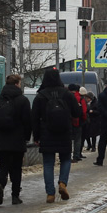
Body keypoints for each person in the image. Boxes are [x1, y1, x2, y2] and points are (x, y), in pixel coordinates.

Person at [32, 68, 81, 203]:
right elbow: (77, 113)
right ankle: (63, 183)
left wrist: (36, 136)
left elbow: (34, 118)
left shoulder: (40, 96)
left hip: (46, 133)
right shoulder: (67, 94)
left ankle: (50, 194)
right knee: (65, 159)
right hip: (64, 132)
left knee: (48, 163)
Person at [0, 73, 33, 205]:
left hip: (2, 140)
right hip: (18, 140)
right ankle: (15, 196)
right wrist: (26, 137)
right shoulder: (23, 100)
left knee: (3, 166)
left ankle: (0, 184)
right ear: (17, 84)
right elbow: (28, 122)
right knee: (16, 168)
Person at [68, 83, 89, 162]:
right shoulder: (80, 99)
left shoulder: (66, 96)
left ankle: (67, 156)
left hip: (67, 121)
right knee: (77, 139)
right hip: (78, 121)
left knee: (68, 139)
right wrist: (84, 119)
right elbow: (84, 111)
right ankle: (76, 155)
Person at [82, 87, 99, 153]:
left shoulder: (96, 103)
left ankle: (93, 146)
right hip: (88, 120)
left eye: (88, 98)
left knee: (93, 135)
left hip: (94, 121)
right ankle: (89, 145)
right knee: (87, 134)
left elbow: (98, 112)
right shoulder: (87, 103)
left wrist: (93, 111)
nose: (87, 99)